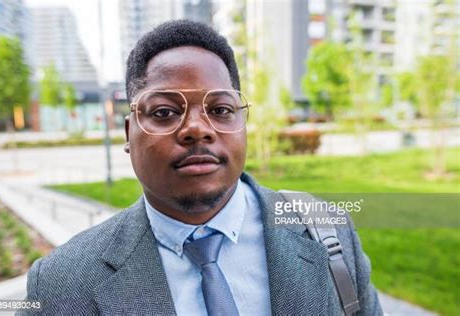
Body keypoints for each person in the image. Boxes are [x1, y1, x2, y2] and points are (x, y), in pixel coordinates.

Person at [23, 20, 382, 315]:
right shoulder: (61, 285)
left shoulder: (327, 232)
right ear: (130, 133)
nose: (198, 128)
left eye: (221, 110)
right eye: (165, 112)